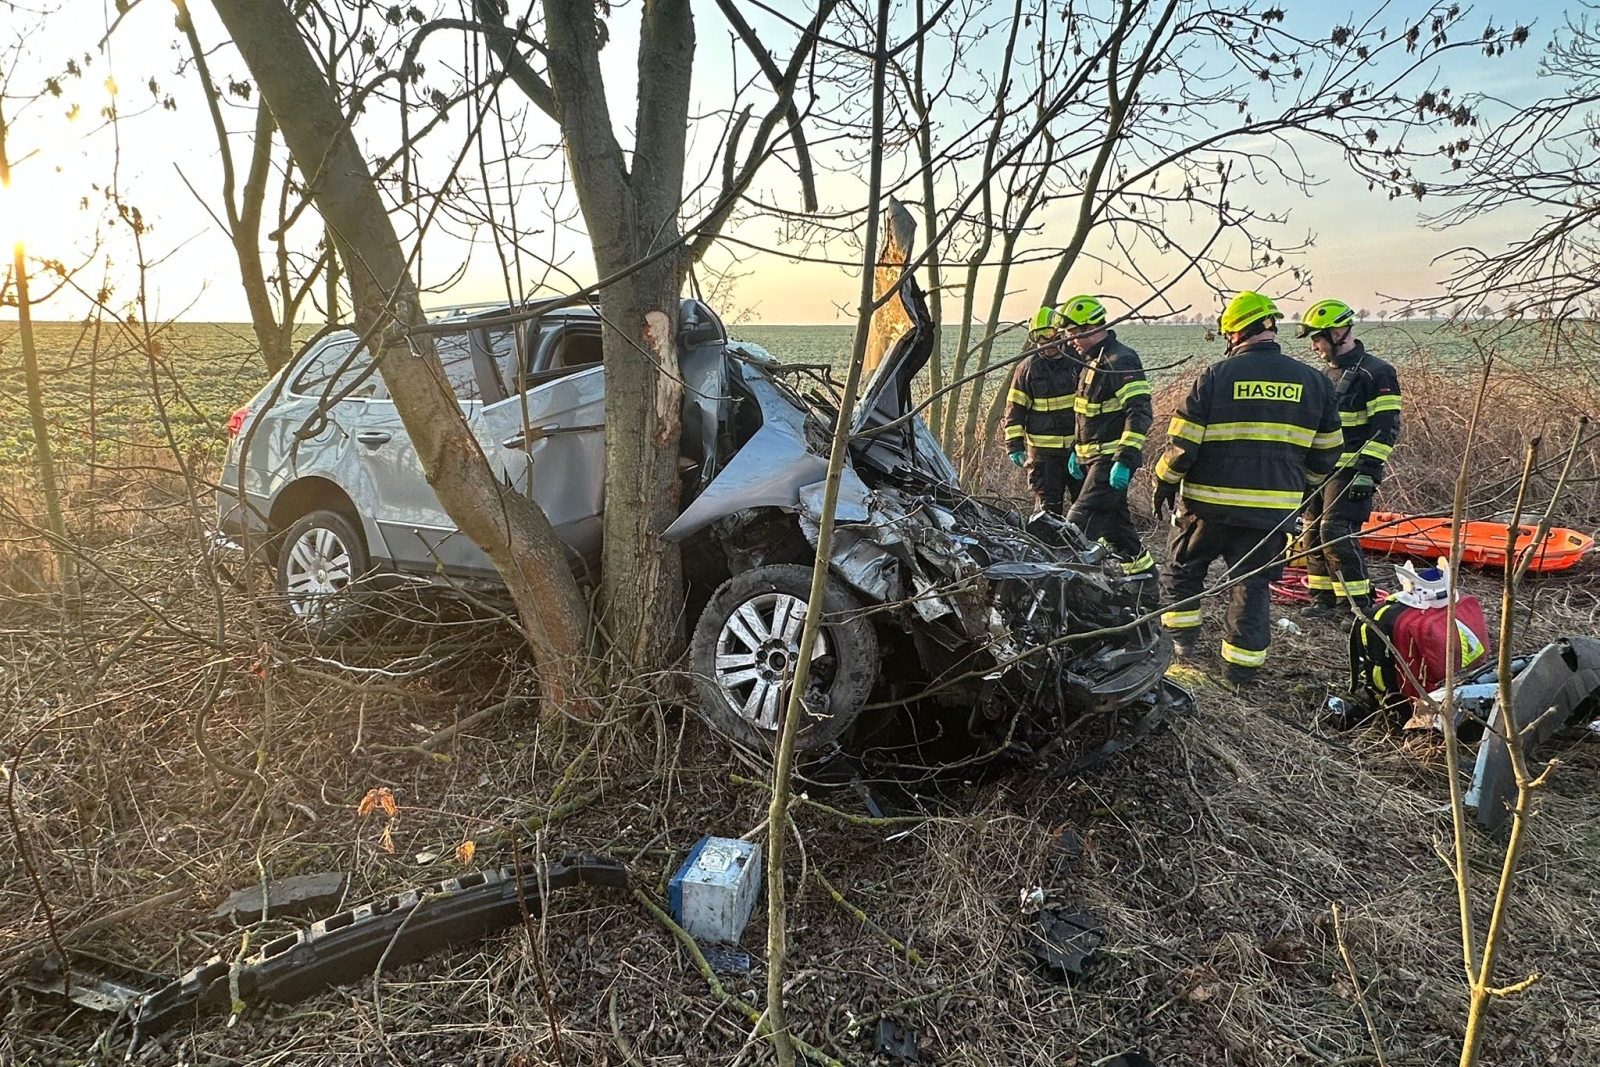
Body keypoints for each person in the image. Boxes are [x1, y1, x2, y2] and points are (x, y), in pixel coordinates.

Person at [1150, 291, 1343, 688]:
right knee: (1251, 585)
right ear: (1270, 326)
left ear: (1234, 333)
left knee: (1184, 571)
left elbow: (1182, 445)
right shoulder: (1315, 382)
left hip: (1207, 507)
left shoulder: (1216, 377)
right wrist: (1300, 489)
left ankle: (1181, 648)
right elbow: (1328, 452)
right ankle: (1240, 672)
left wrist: (1163, 482)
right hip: (1272, 513)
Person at [1295, 299, 1403, 629]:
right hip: (1320, 471)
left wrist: (1368, 472)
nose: (1314, 346)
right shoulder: (1324, 376)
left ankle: (1358, 605)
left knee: (1336, 532)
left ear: (1339, 332)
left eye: (1318, 338)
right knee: (1312, 533)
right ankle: (1323, 599)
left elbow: (1387, 428)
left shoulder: (1377, 372)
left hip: (1353, 471)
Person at [1057, 295, 1156, 581]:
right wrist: (1078, 449)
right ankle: (1144, 581)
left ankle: (1068, 590)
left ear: (1090, 327)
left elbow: (1139, 412)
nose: (1069, 339)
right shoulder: (1091, 362)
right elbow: (1087, 415)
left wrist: (1125, 459)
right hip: (1092, 459)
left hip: (1109, 461)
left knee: (1076, 526)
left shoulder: (1119, 359)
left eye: (1072, 333)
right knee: (1117, 530)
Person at [1004, 306, 1082, 514]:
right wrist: (1014, 445)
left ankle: (1084, 547)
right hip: (1044, 457)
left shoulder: (1078, 360)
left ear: (1060, 334)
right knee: (1047, 513)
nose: (1046, 346)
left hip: (1079, 450)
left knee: (1085, 508)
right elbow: (1015, 409)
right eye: (1040, 341)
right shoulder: (1028, 368)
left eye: (1049, 338)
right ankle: (1049, 547)